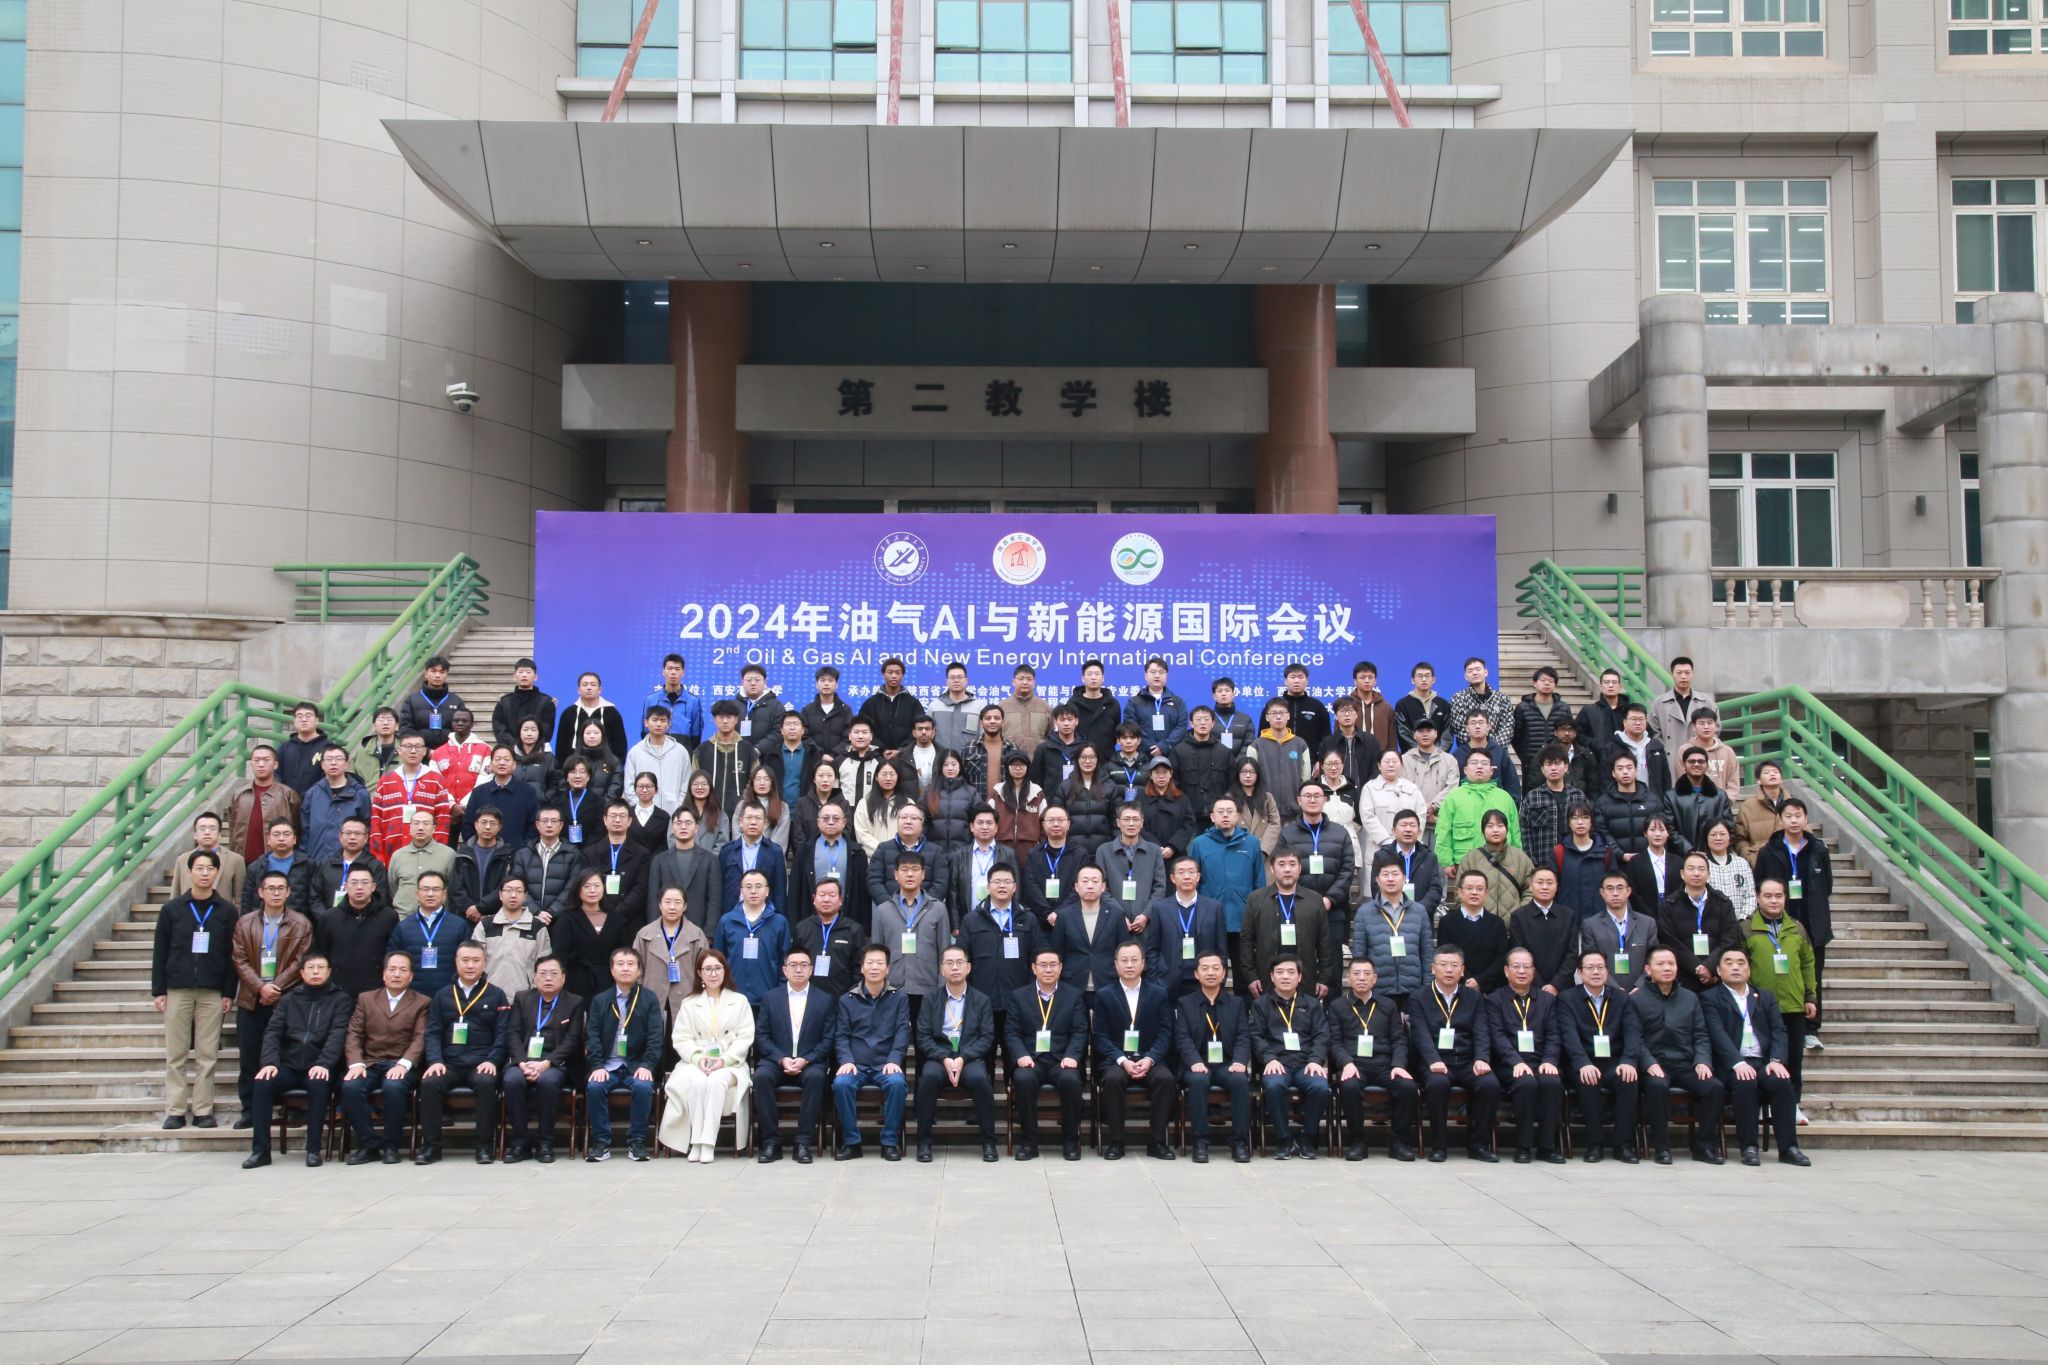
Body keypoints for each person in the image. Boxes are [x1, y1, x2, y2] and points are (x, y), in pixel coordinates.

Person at [242, 951, 350, 1169]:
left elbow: (338, 1034)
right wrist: (270, 1062)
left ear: (329, 972)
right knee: (262, 1082)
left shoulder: (341, 1000)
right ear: (301, 973)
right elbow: (273, 1032)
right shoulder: (289, 999)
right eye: (311, 968)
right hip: (289, 1066)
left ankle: (313, 1149)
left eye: (320, 968)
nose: (316, 972)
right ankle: (260, 1150)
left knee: (318, 1084)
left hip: (320, 1066)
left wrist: (324, 1063)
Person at [1703, 946, 1809, 1166]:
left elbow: (1779, 1030)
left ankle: (1789, 1148)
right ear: (1719, 971)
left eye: (1741, 963)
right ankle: (1749, 1146)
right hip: (1731, 1064)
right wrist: (1737, 1062)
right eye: (1729, 963)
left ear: (1749, 970)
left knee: (1781, 1082)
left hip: (1763, 1062)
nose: (1735, 967)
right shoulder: (1710, 998)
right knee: (1745, 1082)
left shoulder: (1764, 997)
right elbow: (1717, 1034)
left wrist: (1776, 1060)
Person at [154, 850, 237, 1131]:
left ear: (217, 873)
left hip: (212, 990)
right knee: (176, 1054)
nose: (204, 873)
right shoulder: (172, 909)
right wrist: (159, 990)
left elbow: (231, 955)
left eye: (209, 868)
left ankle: (203, 1110)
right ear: (189, 872)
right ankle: (175, 1110)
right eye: (199, 868)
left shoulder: (226, 911)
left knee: (207, 1054)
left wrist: (228, 991)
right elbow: (160, 951)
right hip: (178, 988)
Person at [230, 870, 314, 1123]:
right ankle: (250, 1110)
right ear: (260, 892)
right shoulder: (245, 923)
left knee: (288, 1055)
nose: (276, 893)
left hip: (286, 999)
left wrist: (275, 987)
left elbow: (301, 960)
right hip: (252, 999)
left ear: (288, 892)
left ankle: (291, 1108)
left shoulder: (301, 924)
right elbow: (239, 959)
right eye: (270, 888)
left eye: (280, 888)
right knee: (250, 1057)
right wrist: (260, 987)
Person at [414, 941, 509, 1165]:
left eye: (476, 961)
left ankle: (484, 1146)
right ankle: (431, 1147)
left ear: (484, 963)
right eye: (465, 960)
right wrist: (435, 1061)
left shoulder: (496, 995)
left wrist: (493, 1060)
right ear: (456, 962)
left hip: (481, 1062)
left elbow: (503, 1033)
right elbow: (433, 1032)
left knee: (486, 1083)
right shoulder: (442, 995)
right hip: (449, 1062)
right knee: (429, 1083)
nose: (470, 965)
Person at [1632, 945, 1727, 1164]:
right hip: (1655, 1064)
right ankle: (1662, 1148)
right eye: (1660, 964)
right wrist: (1648, 1063)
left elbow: (1701, 1034)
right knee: (1657, 1087)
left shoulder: (1690, 998)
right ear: (1647, 969)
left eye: (1671, 964)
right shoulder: (1636, 1000)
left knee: (1714, 1087)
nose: (1667, 968)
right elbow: (1635, 1038)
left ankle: (1704, 1147)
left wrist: (1702, 1061)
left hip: (1686, 1063)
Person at [657, 949, 754, 1163]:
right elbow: (681, 1038)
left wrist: (724, 1060)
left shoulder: (740, 1001)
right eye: (708, 969)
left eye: (718, 968)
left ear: (725, 971)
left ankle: (708, 1143)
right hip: (696, 1061)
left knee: (716, 1082)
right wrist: (698, 1058)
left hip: (730, 1062)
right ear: (700, 973)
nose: (713, 973)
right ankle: (696, 1142)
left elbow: (745, 1038)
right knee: (698, 1082)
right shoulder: (689, 1003)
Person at [1409, 944, 1500, 1161]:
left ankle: (1478, 1145)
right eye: (1443, 965)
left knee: (1490, 1084)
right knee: (1437, 1084)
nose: (1449, 970)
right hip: (1436, 1061)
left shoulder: (1473, 997)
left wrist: (1481, 1058)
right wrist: (1433, 1060)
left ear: (1463, 970)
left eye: (1454, 965)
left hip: (1467, 1060)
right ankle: (1439, 1146)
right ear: (1433, 968)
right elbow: (1420, 1034)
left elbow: (1481, 1031)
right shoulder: (1419, 997)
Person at [1754, 798, 1832, 1050]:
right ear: (1780, 819)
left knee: (1812, 975)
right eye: (1788, 816)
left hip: (1813, 922)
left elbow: (1827, 886)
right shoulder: (1769, 850)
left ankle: (1811, 1028)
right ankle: (1777, 1025)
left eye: (1798, 815)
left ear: (1806, 818)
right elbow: (1760, 884)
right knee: (1778, 974)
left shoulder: (1818, 850)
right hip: (1779, 921)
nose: (1794, 820)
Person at [912, 945, 1001, 1162]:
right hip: (939, 1057)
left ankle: (988, 1142)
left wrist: (963, 1058)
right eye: (949, 963)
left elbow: (986, 1037)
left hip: (969, 1057)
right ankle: (924, 1142)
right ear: (941, 969)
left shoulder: (981, 1000)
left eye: (959, 963)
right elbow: (922, 1035)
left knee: (981, 1080)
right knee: (928, 1078)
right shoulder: (930, 999)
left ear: (968, 968)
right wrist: (943, 1057)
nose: (955, 967)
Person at [339, 951, 429, 1164]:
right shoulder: (366, 998)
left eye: (403, 970)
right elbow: (354, 1033)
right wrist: (356, 1063)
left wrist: (404, 1064)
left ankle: (391, 1145)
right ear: (384, 974)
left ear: (411, 976)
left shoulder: (422, 1002)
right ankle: (368, 1144)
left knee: (393, 1086)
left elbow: (420, 1037)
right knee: (350, 1086)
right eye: (392, 969)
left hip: (401, 1063)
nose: (397, 974)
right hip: (370, 1062)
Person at [1092, 941, 1176, 1160]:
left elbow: (1165, 1033)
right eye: (1124, 960)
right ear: (1116, 964)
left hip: (1149, 1058)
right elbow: (1100, 1036)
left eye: (1134, 960)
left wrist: (1150, 1059)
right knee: (1112, 1080)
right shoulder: (1104, 995)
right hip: (1117, 1060)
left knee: (1166, 1080)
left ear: (1143, 963)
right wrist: (1122, 1060)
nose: (1129, 965)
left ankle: (1157, 1142)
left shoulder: (1158, 993)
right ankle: (1116, 1142)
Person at [753, 948, 837, 1164]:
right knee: (761, 1077)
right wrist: (781, 1058)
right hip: (776, 1061)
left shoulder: (825, 1000)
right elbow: (762, 1036)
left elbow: (828, 1039)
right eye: (793, 965)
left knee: (816, 1078)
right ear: (784, 970)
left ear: (811, 969)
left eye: (803, 965)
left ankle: (802, 1143)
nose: (798, 969)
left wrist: (806, 1059)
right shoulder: (771, 998)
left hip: (810, 1061)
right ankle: (771, 1142)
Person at [1329, 958, 1417, 1161]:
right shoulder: (1338, 1006)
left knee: (1407, 1087)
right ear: (1348, 978)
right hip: (1354, 1065)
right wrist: (1346, 1063)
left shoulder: (1388, 1005)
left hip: (1385, 1065)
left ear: (1375, 979)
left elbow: (1399, 1039)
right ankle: (1357, 1140)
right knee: (1349, 1087)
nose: (1362, 978)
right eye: (1357, 973)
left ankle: (1399, 1141)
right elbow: (1335, 1042)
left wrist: (1398, 1065)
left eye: (1367, 974)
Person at [1559, 948, 1642, 1163]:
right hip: (1582, 1061)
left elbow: (1632, 1032)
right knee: (1588, 1080)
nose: (1595, 972)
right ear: (1580, 973)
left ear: (1607, 971)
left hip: (1614, 1061)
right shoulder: (1567, 998)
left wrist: (1629, 1061)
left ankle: (1622, 1145)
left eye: (1600, 967)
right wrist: (1583, 1063)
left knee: (1628, 1079)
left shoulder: (1622, 998)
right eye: (1590, 968)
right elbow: (1569, 1036)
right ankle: (1594, 1144)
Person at [1746, 877, 1819, 1115]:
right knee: (1763, 1057)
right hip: (1760, 1005)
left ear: (1785, 898)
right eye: (1768, 896)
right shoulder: (1746, 928)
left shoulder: (1797, 927)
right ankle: (1762, 1104)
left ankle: (1793, 1105)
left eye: (1778, 895)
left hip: (1793, 1004)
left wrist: (1810, 996)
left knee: (1794, 1059)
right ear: (1758, 898)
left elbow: (1808, 964)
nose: (1774, 900)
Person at [831, 944, 911, 1160]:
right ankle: (852, 1143)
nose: (874, 967)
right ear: (862, 968)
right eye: (870, 963)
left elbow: (902, 1032)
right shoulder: (847, 1000)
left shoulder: (899, 998)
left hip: (885, 1063)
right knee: (841, 1084)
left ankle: (890, 1142)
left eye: (879, 963)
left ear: (887, 969)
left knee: (896, 1084)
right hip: (856, 1064)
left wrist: (894, 1059)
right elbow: (841, 1035)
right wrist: (846, 1060)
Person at [583, 946, 663, 1162]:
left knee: (643, 1086)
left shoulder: (649, 999)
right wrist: (597, 1066)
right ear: (612, 970)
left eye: (630, 964)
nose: (625, 968)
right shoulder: (600, 1000)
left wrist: (647, 1065)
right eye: (620, 964)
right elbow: (592, 1036)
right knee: (594, 1086)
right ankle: (601, 1143)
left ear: (639, 970)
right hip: (607, 1065)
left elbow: (656, 1037)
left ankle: (637, 1142)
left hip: (636, 1065)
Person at [1006, 947, 1087, 1161]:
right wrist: (1021, 1055)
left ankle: (1071, 1141)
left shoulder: (1073, 995)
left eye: (1053, 965)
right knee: (1023, 1079)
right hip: (1032, 1059)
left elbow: (1080, 1031)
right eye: (1043, 965)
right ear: (1034, 968)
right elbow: (1012, 1032)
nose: (1048, 969)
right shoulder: (1019, 996)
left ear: (1060, 968)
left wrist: (1072, 1056)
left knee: (1071, 1081)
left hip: (1062, 1060)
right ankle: (1028, 1143)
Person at [1486, 948, 1565, 1164]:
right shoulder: (1494, 1000)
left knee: (1551, 1082)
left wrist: (1549, 1060)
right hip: (1509, 1065)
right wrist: (1516, 1062)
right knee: (1526, 1083)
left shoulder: (1547, 1000)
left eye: (1526, 967)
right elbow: (1497, 1037)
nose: (1521, 971)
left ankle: (1547, 1147)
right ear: (1506, 971)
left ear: (1533, 971)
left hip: (1541, 1061)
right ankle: (1523, 1146)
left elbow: (1554, 1034)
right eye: (1516, 966)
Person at [502, 956, 583, 1164]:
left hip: (555, 1063)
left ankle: (545, 1142)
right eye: (543, 974)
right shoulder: (522, 998)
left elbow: (572, 1040)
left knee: (548, 1082)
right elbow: (513, 1033)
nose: (548, 978)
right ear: (534, 977)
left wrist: (546, 1064)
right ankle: (519, 1142)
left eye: (554, 974)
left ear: (563, 978)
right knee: (512, 1080)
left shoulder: (574, 1002)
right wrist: (521, 1063)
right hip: (524, 1060)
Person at [1173, 951, 1253, 1162]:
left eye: (1216, 968)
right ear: (1196, 974)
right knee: (1198, 1081)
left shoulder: (1236, 1003)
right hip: (1198, 1063)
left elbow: (1243, 1036)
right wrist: (1194, 1062)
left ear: (1224, 973)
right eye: (1205, 968)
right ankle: (1200, 1141)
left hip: (1227, 1063)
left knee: (1240, 1081)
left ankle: (1239, 1141)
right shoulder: (1185, 1003)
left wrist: (1239, 1061)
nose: (1211, 973)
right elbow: (1182, 1037)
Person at [1248, 955, 1331, 1159]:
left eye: (1291, 972)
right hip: (1277, 1063)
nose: (1285, 976)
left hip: (1306, 1063)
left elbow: (1322, 1035)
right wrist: (1269, 1058)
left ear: (1300, 977)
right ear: (1272, 976)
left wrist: (1315, 1060)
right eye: (1280, 972)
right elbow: (1256, 1036)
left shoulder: (1312, 1004)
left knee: (1320, 1087)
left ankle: (1307, 1138)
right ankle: (1283, 1139)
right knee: (1274, 1086)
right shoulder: (1260, 1005)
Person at [1239, 849, 1339, 1000]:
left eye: (1292, 864)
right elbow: (1246, 940)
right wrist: (1251, 976)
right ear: (1272, 869)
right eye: (1281, 864)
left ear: (1300, 868)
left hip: (1305, 979)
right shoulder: (1256, 899)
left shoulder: (1314, 900)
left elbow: (1324, 942)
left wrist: (1324, 978)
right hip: (1266, 979)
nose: (1287, 869)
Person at [1188, 795, 1267, 976]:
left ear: (1237, 816)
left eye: (1230, 811)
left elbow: (1259, 883)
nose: (1225, 815)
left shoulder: (1252, 843)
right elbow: (1193, 882)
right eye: (1220, 811)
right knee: (1212, 972)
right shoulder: (1200, 844)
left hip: (1242, 918)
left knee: (1243, 973)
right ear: (1212, 817)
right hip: (1210, 920)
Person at [1275, 781, 1358, 939]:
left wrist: (1330, 899)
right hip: (1297, 907)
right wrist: (1303, 899)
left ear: (1325, 800)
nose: (1312, 800)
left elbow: (1347, 869)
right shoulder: (1287, 834)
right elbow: (1282, 869)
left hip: (1333, 908)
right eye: (1307, 796)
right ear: (1299, 800)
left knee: (1332, 953)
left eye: (1317, 796)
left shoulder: (1340, 833)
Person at [1051, 865, 1138, 1007]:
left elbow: (1124, 950)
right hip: (1072, 985)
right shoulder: (1064, 916)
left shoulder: (1116, 915)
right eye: (1085, 881)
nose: (1090, 886)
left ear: (1103, 887)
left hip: (1109, 984)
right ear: (1076, 887)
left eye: (1095, 881)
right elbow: (1057, 952)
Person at [1143, 854, 1227, 1001]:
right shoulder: (1160, 908)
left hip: (1205, 980)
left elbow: (1221, 948)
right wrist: (1155, 980)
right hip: (1168, 981)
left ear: (1198, 877)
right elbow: (1152, 949)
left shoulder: (1214, 907)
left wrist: (1220, 979)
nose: (1186, 877)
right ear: (1172, 878)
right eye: (1181, 872)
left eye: (1191, 872)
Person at [1353, 856, 1432, 1009]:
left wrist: (1427, 987)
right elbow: (1359, 954)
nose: (1390, 879)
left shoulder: (1419, 911)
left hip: (1413, 990)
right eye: (1385, 874)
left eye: (1395, 874)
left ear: (1404, 878)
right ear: (1377, 880)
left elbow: (1427, 953)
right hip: (1378, 990)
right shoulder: (1364, 912)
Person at [1659, 850, 1741, 991]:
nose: (1696, 873)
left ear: (1708, 875)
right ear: (1682, 874)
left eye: (1701, 869)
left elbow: (1730, 938)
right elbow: (1669, 941)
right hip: (1682, 979)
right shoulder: (1669, 905)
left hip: (1716, 976)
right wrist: (1697, 968)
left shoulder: (1723, 903)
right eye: (1691, 869)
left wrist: (1709, 966)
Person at [554, 870, 640, 1004]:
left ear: (603, 888)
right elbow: (560, 955)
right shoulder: (567, 919)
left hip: (609, 982)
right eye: (587, 886)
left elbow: (624, 952)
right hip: (576, 981)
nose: (592, 890)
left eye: (597, 885)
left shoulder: (616, 918)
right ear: (578, 889)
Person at [314, 864, 399, 1000]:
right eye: (354, 883)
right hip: (338, 992)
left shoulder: (389, 917)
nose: (359, 887)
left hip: (376, 991)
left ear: (373, 887)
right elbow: (321, 953)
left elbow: (394, 953)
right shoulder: (329, 917)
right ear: (346, 886)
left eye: (365, 882)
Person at [636, 885, 710, 1033]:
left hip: (687, 997)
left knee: (682, 1039)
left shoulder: (696, 935)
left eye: (677, 902)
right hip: (652, 995)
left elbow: (705, 970)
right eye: (667, 902)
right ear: (659, 905)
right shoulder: (645, 934)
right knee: (654, 1039)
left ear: (685, 906)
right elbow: (637, 970)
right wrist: (639, 996)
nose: (672, 907)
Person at [368, 732, 452, 861]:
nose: (413, 751)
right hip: (391, 853)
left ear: (424, 751)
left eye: (418, 747)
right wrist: (378, 857)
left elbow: (443, 820)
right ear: (399, 750)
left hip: (427, 854)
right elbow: (376, 820)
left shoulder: (436, 780)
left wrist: (437, 853)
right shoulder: (386, 780)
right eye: (408, 746)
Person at [715, 868, 792, 1005]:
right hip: (732, 997)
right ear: (741, 891)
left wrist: (780, 991)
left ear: (767, 891)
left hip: (769, 997)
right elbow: (718, 958)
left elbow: (785, 959)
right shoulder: (727, 921)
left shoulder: (779, 922)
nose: (753, 891)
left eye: (758, 886)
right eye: (748, 887)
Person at [385, 870, 467, 998]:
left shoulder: (459, 925)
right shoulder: (403, 927)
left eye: (436, 889)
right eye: (425, 889)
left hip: (450, 996)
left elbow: (466, 962)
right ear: (417, 894)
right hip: (412, 998)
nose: (430, 894)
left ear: (444, 894)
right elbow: (392, 961)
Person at [645, 807, 722, 932]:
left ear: (696, 828)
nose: (683, 827)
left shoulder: (710, 860)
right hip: (665, 930)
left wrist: (709, 932)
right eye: (678, 823)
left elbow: (714, 899)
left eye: (688, 823)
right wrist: (654, 930)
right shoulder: (659, 860)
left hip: (699, 929)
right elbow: (653, 899)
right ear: (672, 828)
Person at [225, 745, 302, 869]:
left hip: (277, 864)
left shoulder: (288, 795)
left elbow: (298, 829)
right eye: (256, 760)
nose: (261, 764)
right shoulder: (239, 795)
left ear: (275, 765)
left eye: (266, 760)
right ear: (251, 764)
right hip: (243, 864)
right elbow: (233, 830)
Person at [792, 874, 868, 996]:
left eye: (832, 895)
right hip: (807, 997)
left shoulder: (854, 930)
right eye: (822, 895)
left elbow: (860, 968)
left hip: (842, 998)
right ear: (814, 899)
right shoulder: (802, 929)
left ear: (840, 900)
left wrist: (850, 996)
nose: (826, 899)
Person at [471, 875, 549, 994]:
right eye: (508, 890)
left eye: (518, 891)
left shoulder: (537, 926)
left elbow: (545, 963)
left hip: (525, 996)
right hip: (489, 995)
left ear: (525, 896)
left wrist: (534, 992)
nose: (513, 895)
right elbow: (475, 960)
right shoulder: (486, 924)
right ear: (500, 895)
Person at [1437, 869, 1511, 994]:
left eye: (1479, 889)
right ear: (1460, 892)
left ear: (1486, 894)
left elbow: (1501, 958)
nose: (1474, 892)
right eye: (1469, 888)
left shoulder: (1497, 923)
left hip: (1490, 990)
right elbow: (1445, 955)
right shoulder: (1447, 922)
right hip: (1456, 988)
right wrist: (1466, 979)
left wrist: (1480, 981)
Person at [1581, 871, 1657, 991]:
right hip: (1606, 991)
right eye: (1610, 888)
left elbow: (1653, 960)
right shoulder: (1590, 925)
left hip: (1642, 992)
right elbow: (1590, 962)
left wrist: (1640, 986)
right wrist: (1614, 988)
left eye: (1620, 888)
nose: (1615, 893)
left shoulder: (1647, 923)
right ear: (1602, 892)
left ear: (1628, 891)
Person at [1508, 868, 1578, 995]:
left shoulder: (1569, 915)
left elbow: (1572, 954)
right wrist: (1541, 987)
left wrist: (1555, 985)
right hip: (1530, 988)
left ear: (1556, 886)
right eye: (1540, 882)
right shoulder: (1519, 917)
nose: (1545, 887)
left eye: (1550, 883)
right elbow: (1518, 952)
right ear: (1530, 885)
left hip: (1563, 988)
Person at [1456, 809, 1536, 919]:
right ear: (1483, 831)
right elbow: (1460, 893)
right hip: (1480, 923)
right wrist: (1473, 917)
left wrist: (1520, 915)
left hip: (1514, 924)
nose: (1495, 830)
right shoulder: (1471, 859)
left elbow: (1531, 890)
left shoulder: (1521, 858)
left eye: (1500, 826)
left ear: (1507, 829)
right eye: (1490, 826)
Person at [868, 802, 950, 909]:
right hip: (889, 911)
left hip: (925, 912)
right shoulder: (883, 849)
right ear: (897, 822)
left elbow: (941, 884)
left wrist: (924, 908)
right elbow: (874, 881)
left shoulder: (936, 852)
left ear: (922, 824)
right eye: (904, 817)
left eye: (914, 818)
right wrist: (890, 907)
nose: (908, 821)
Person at [301, 743, 371, 865]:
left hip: (351, 862)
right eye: (329, 759)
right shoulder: (312, 794)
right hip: (317, 861)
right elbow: (304, 831)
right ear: (322, 765)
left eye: (338, 759)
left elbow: (368, 827)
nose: (333, 763)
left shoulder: (359, 794)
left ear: (347, 764)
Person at [582, 799, 652, 917]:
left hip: (630, 918)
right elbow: (587, 886)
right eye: (613, 816)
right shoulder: (590, 853)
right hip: (597, 917)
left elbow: (640, 889)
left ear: (629, 821)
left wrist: (617, 915)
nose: (617, 820)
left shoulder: (642, 854)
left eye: (622, 816)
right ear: (605, 820)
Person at [459, 746, 540, 847]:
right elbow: (468, 825)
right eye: (498, 759)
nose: (502, 763)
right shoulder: (479, 792)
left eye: (506, 759)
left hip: (517, 852)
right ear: (491, 765)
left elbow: (534, 826)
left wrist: (524, 849)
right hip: (484, 852)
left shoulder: (527, 791)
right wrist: (476, 848)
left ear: (514, 765)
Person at [949, 806, 1021, 917]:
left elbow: (1016, 889)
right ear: (972, 827)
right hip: (968, 918)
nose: (985, 827)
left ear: (996, 827)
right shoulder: (959, 856)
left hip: (1000, 918)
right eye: (980, 823)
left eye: (989, 823)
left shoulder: (1008, 854)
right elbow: (953, 894)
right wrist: (956, 924)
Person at [1096, 801, 1167, 914]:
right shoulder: (1104, 851)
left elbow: (1159, 888)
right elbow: (1102, 888)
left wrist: (1146, 915)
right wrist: (1119, 915)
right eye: (1126, 819)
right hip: (1113, 916)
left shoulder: (1154, 851)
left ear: (1142, 823)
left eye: (1135, 819)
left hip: (1147, 918)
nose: (1131, 823)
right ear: (1118, 822)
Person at [513, 806, 581, 922]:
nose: (549, 825)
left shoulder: (572, 854)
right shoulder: (523, 854)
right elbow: (518, 886)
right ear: (537, 825)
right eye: (544, 821)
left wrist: (551, 912)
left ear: (561, 825)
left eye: (554, 821)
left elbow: (571, 887)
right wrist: (536, 912)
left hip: (561, 918)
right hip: (528, 917)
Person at [238, 817, 315, 918]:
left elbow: (314, 900)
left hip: (297, 923)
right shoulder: (256, 867)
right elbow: (247, 902)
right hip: (262, 923)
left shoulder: (308, 865)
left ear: (294, 839)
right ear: (268, 839)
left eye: (286, 834)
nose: (281, 838)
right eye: (276, 834)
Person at [1518, 744, 1585, 860]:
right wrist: (1532, 863)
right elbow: (1525, 833)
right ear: (1542, 769)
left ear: (1566, 767)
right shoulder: (1532, 798)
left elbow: (1587, 830)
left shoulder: (1578, 796)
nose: (1553, 768)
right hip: (1542, 863)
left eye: (1557, 763)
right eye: (1548, 764)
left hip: (1574, 861)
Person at [623, 703, 693, 813]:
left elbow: (686, 783)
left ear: (669, 724)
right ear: (646, 722)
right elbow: (629, 787)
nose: (658, 724)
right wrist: (640, 808)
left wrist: (679, 806)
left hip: (674, 813)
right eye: (654, 720)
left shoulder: (680, 751)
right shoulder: (636, 752)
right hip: (643, 814)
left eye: (663, 720)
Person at [386, 809, 456, 917]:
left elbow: (452, 887)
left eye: (426, 823)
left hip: (437, 918)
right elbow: (393, 887)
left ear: (434, 828)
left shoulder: (448, 854)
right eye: (416, 823)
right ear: (410, 827)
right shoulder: (398, 855)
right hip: (403, 917)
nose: (420, 827)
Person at [1252, 696, 1313, 820]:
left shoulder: (1300, 744)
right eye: (1274, 713)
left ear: (1288, 716)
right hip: (1265, 812)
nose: (1278, 717)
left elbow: (1306, 779)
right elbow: (1251, 779)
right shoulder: (1256, 745)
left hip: (1295, 812)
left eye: (1282, 713)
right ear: (1267, 717)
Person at [1020, 803, 1080, 927]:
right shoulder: (1034, 854)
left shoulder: (1080, 854)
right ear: (1043, 825)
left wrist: (1060, 912)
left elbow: (1078, 888)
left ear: (1068, 824)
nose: (1056, 824)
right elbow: (1031, 887)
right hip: (1040, 920)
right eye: (1051, 820)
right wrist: (1047, 913)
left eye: (1060, 820)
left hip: (1071, 919)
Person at [1172, 706, 1234, 825]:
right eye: (1198, 719)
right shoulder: (1179, 751)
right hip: (1188, 816)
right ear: (1191, 723)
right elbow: (1174, 785)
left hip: (1219, 817)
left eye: (1206, 719)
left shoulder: (1224, 752)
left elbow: (1232, 784)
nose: (1202, 723)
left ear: (1213, 723)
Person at [696, 700, 760, 815]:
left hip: (740, 814)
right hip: (708, 812)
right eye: (721, 717)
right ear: (714, 720)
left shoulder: (748, 749)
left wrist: (744, 802)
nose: (725, 721)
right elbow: (695, 781)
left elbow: (755, 780)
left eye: (729, 717)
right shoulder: (702, 750)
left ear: (736, 720)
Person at [1665, 746, 1735, 851]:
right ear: (1684, 765)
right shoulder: (1671, 796)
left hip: (1713, 854)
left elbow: (1729, 827)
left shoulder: (1720, 796)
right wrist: (1688, 850)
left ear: (1707, 765)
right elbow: (1669, 829)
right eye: (1691, 761)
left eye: (1701, 761)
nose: (1696, 764)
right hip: (1682, 855)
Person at [1552, 804, 1614, 920]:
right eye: (1575, 818)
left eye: (1585, 817)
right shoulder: (1559, 852)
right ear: (1569, 823)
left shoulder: (1605, 852)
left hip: (1600, 919)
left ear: (1591, 822)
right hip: (1567, 919)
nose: (1580, 822)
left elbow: (1614, 886)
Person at [452, 806, 511, 925]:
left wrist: (481, 908)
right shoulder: (462, 853)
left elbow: (504, 887)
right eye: (483, 822)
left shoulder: (507, 856)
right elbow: (456, 887)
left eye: (492, 823)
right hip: (466, 917)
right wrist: (471, 910)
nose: (488, 827)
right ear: (476, 825)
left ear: (499, 827)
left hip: (496, 917)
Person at [1594, 751, 1660, 858]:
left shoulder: (1652, 800)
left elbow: (1661, 829)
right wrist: (1621, 855)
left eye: (1629, 767)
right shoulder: (1602, 803)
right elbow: (1602, 833)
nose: (1625, 772)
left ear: (1636, 771)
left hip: (1649, 859)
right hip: (1616, 861)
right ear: (1613, 773)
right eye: (1620, 768)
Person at [1377, 809, 1444, 913]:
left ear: (1419, 831)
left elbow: (1435, 889)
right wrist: (1395, 910)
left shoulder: (1430, 858)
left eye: (1412, 826)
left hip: (1421, 915)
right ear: (1393, 831)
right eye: (1403, 825)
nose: (1408, 829)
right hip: (1390, 916)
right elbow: (1376, 887)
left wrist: (1418, 910)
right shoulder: (1382, 856)